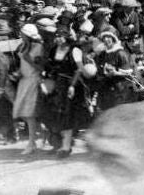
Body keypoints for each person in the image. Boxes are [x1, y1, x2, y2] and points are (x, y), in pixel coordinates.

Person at [41, 25, 89, 158]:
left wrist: (72, 86)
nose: (58, 39)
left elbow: (79, 70)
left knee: (66, 116)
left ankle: (66, 147)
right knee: (52, 114)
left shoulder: (74, 50)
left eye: (61, 36)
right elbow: (50, 67)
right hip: (55, 85)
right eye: (57, 36)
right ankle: (57, 144)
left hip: (69, 86)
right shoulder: (53, 50)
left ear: (67, 37)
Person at [11, 23, 44, 155]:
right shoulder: (23, 46)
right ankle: (39, 136)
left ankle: (32, 143)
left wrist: (29, 60)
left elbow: (41, 68)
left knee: (29, 113)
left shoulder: (39, 47)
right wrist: (18, 72)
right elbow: (23, 63)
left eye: (23, 33)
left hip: (33, 81)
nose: (21, 34)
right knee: (23, 113)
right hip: (24, 81)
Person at [96, 30, 135, 112]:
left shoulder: (120, 53)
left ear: (113, 39)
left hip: (121, 89)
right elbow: (100, 70)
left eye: (108, 37)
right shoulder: (102, 54)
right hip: (107, 89)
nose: (106, 40)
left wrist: (116, 73)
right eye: (104, 38)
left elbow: (128, 72)